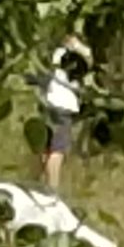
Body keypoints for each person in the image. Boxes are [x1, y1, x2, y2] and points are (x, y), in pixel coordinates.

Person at [35, 36, 90, 185]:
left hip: (49, 103)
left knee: (46, 148)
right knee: (56, 150)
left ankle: (43, 184)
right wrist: (77, 45)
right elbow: (89, 58)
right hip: (63, 106)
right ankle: (51, 188)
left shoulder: (57, 54)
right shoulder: (74, 56)